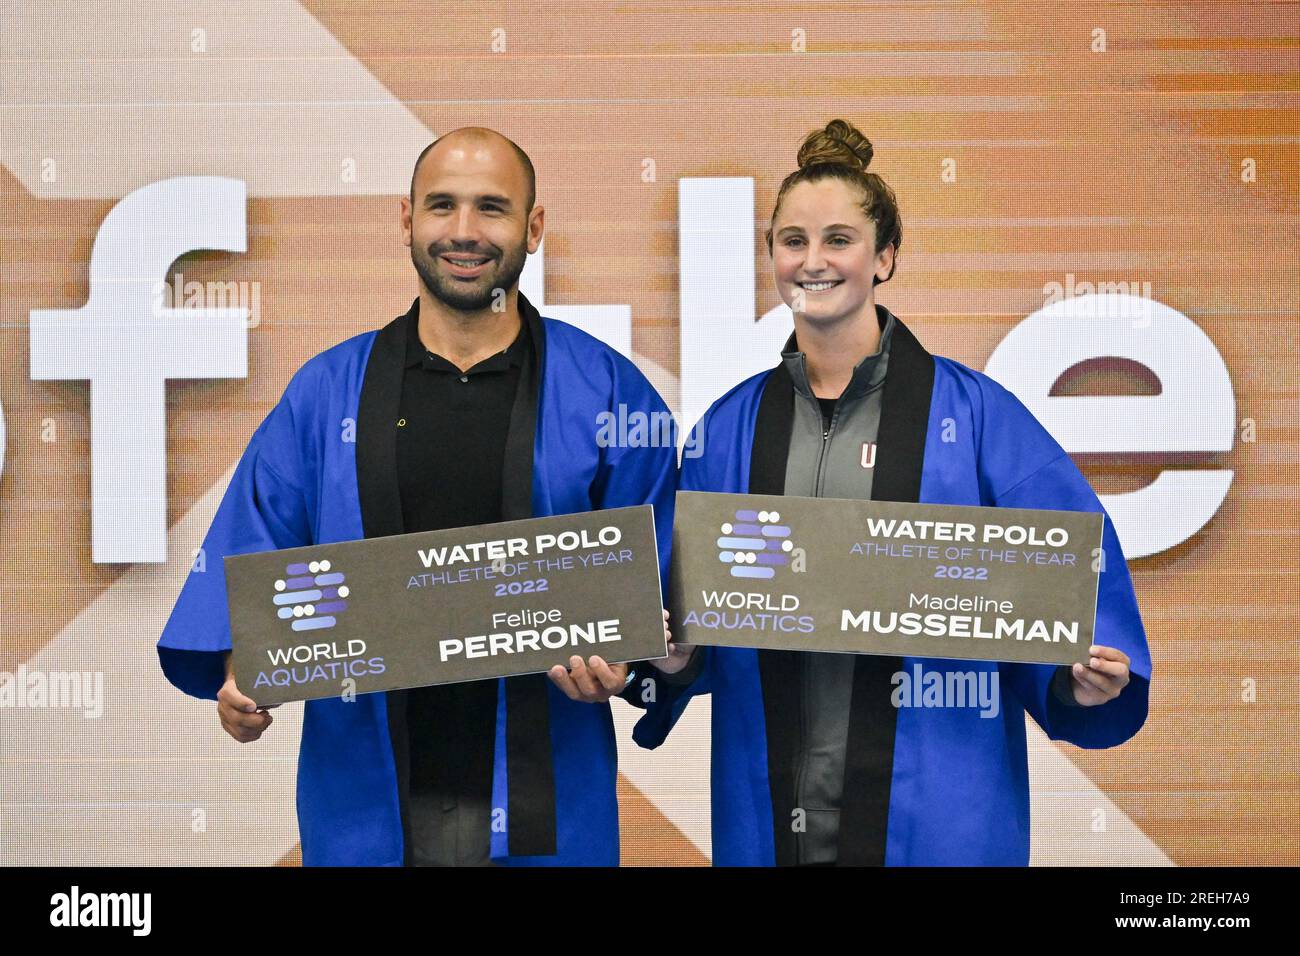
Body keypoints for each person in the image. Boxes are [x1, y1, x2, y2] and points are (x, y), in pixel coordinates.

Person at [634, 119, 1152, 866]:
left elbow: (1064, 582)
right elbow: (694, 616)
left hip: (937, 803)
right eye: (792, 241)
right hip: (771, 797)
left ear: (886, 257)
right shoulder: (728, 428)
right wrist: (675, 657)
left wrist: (1083, 680)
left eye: (839, 240)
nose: (813, 261)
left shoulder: (977, 418)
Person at [158, 127, 678, 866]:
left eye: (492, 208)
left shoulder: (608, 393)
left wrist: (634, 663)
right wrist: (240, 673)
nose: (464, 232)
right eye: (442, 206)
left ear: (534, 227)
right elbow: (252, 562)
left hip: (545, 802)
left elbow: (667, 599)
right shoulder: (324, 394)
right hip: (363, 801)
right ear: (406, 220)